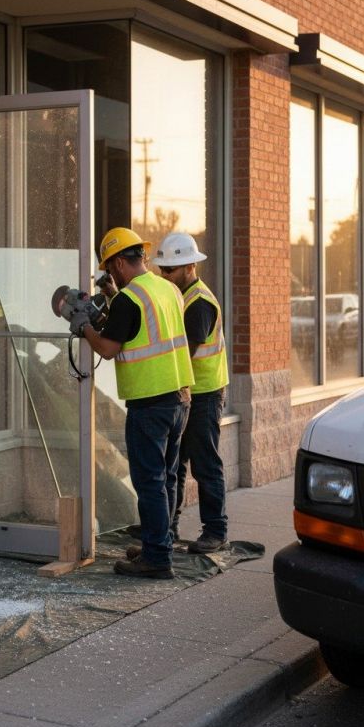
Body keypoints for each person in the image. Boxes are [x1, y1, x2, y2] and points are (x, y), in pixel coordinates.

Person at [71, 227, 193, 579]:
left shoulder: (129, 300)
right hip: (179, 398)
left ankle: (156, 559)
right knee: (167, 478)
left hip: (149, 404)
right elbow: (143, 327)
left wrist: (83, 328)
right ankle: (161, 542)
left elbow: (108, 348)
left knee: (149, 482)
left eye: (110, 269)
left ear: (121, 263)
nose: (109, 275)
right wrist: (112, 296)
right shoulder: (167, 289)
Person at [154, 232, 230, 554]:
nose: (164, 275)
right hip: (189, 393)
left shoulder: (198, 303)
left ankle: (216, 531)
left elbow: (185, 353)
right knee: (176, 465)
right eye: (162, 270)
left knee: (205, 464)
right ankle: (168, 527)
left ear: (188, 266)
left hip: (204, 393)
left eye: (169, 270)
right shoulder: (180, 296)